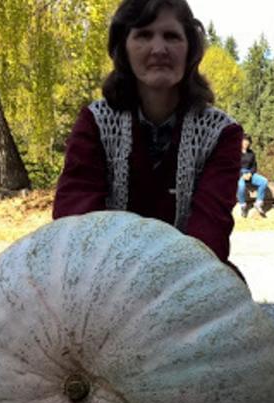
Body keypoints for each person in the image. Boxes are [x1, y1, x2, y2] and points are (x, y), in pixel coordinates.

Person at [52, 0, 243, 269]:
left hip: (186, 276)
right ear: (123, 47)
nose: (159, 49)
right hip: (101, 274)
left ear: (190, 49)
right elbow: (75, 218)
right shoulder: (95, 122)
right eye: (143, 35)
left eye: (171, 36)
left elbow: (210, 229)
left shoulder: (222, 133)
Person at [237, 134, 269, 217]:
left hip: (250, 173)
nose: (245, 143)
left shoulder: (251, 153)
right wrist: (242, 175)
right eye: (244, 140)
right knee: (241, 186)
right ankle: (243, 205)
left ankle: (258, 203)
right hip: (238, 174)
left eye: (247, 141)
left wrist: (250, 173)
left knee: (264, 181)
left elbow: (254, 166)